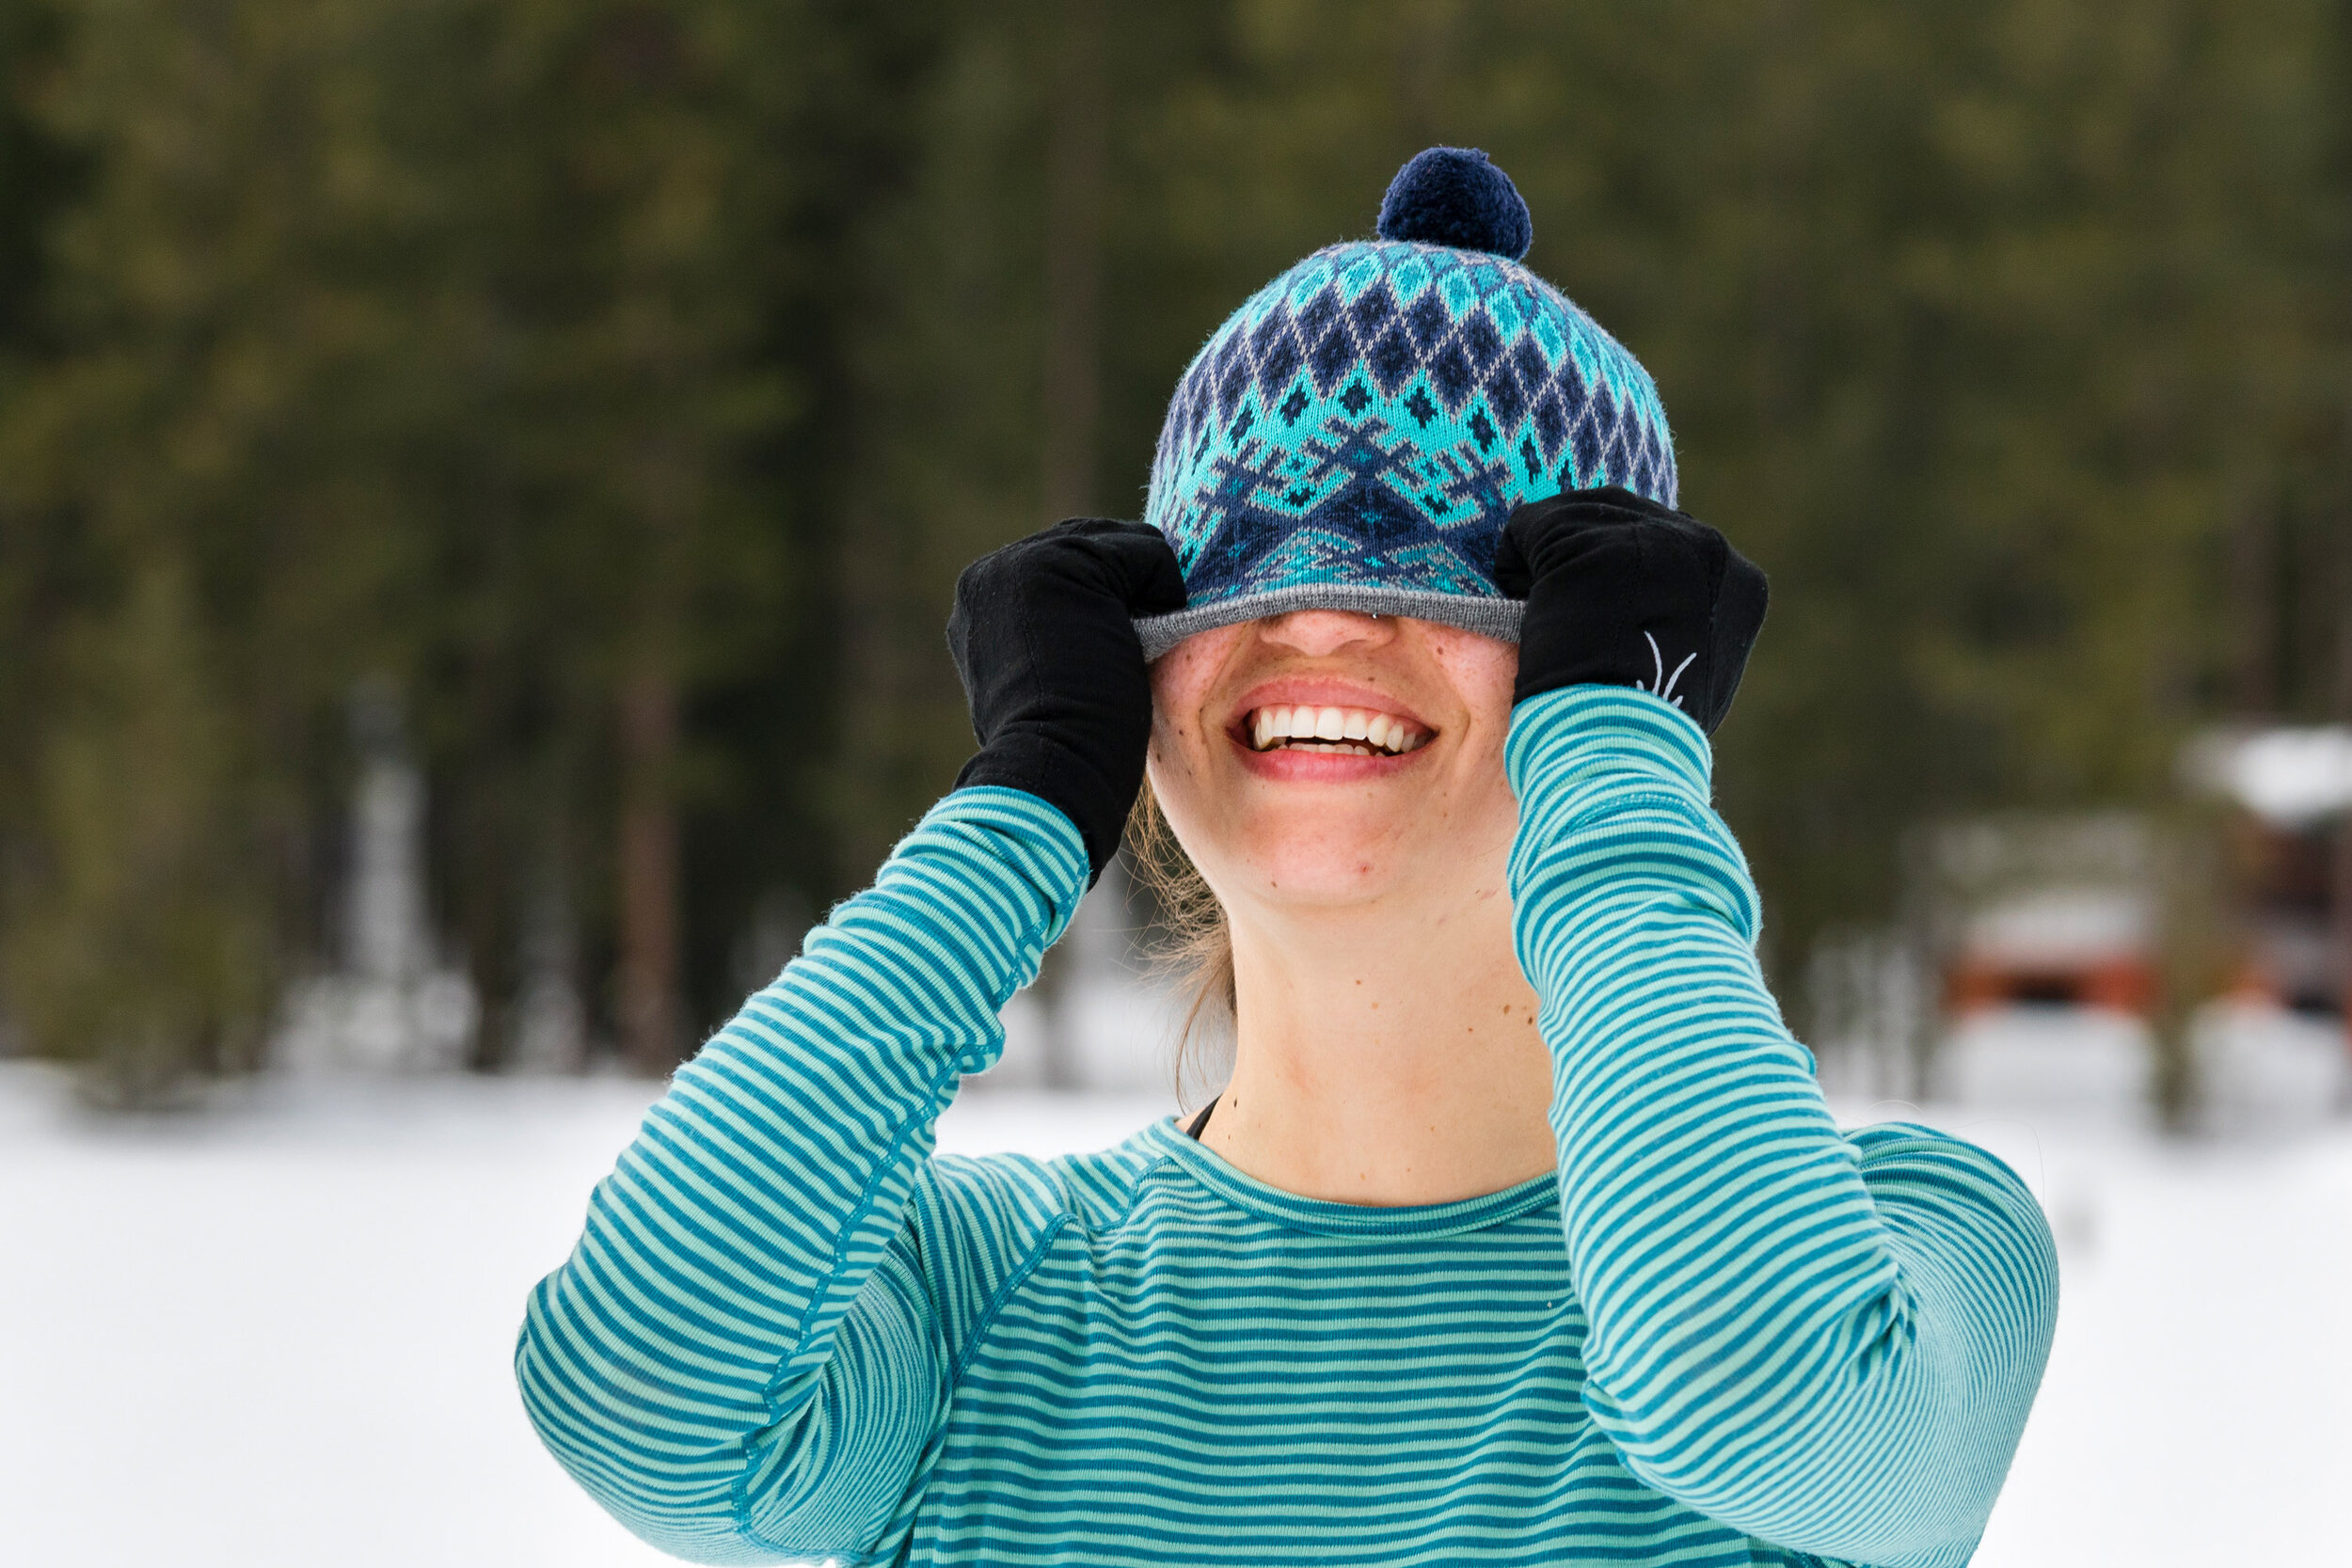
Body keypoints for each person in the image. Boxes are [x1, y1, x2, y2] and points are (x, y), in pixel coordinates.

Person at [516, 148, 2057, 1568]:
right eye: (1242, 576)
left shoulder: (1908, 1257)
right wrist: (1022, 810)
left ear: (1602, 661)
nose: (1320, 625)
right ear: (1139, 679)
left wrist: (1618, 774)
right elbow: (639, 1403)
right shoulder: (976, 1298)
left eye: (1460, 581)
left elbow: (1770, 1410)